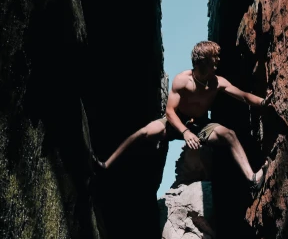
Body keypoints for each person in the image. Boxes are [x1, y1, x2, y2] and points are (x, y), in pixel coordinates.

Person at [93, 40, 272, 191]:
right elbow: (170, 112)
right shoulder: (182, 80)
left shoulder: (218, 82)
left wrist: (263, 102)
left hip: (201, 125)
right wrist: (185, 132)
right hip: (176, 122)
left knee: (229, 135)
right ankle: (106, 165)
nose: (218, 60)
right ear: (202, 61)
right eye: (214, 58)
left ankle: (252, 178)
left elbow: (242, 95)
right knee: (143, 132)